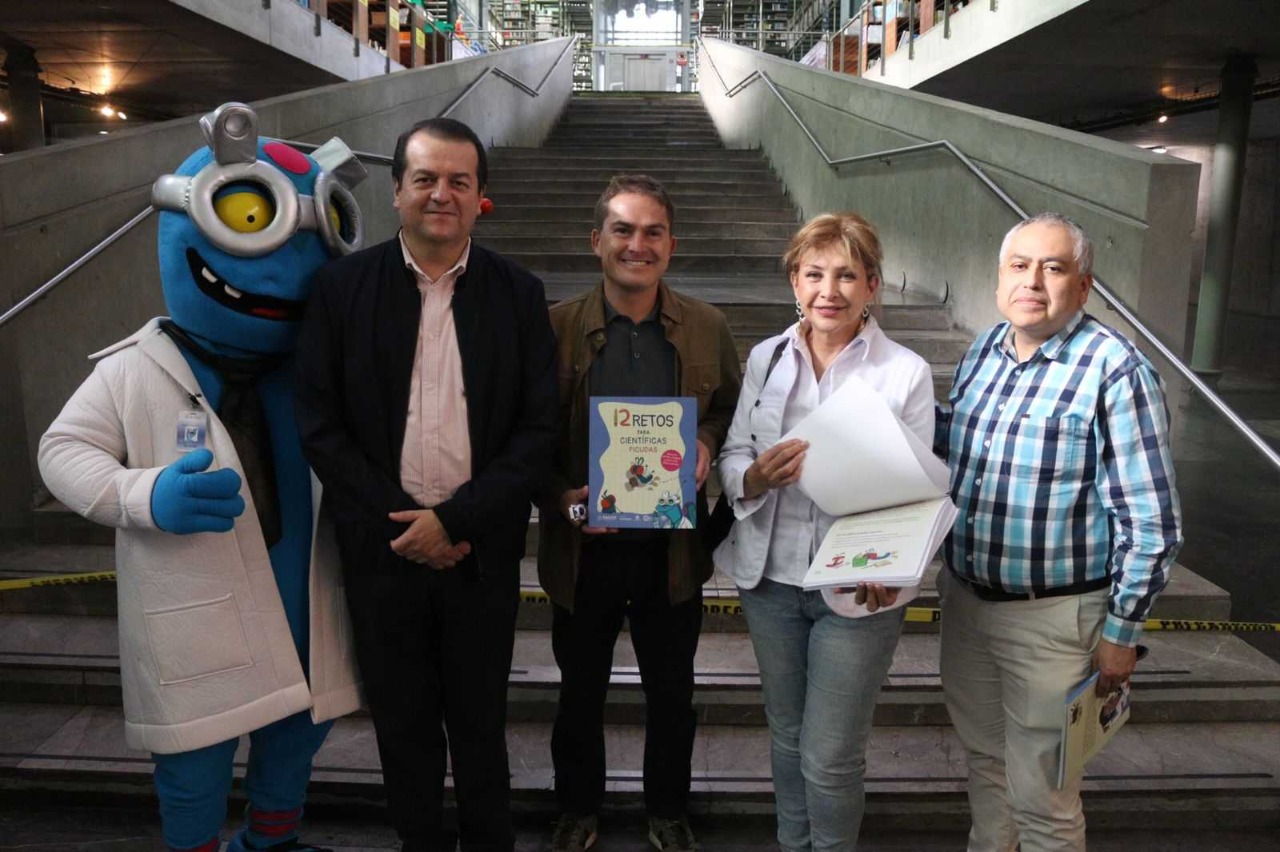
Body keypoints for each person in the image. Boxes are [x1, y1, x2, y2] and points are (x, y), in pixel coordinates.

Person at [38, 103, 364, 852]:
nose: (287, 267)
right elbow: (63, 450)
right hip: (192, 611)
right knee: (194, 756)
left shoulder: (322, 372)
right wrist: (146, 495)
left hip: (304, 601)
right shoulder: (133, 370)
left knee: (297, 734)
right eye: (251, 218)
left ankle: (272, 841)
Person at [293, 117, 559, 852]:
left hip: (480, 555)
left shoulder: (518, 294)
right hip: (382, 555)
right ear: (396, 191)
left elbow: (538, 428)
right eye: (426, 179)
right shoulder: (341, 289)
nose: (442, 194)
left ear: (480, 198)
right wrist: (406, 526)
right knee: (402, 727)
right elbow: (317, 422)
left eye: (458, 182)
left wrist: (456, 521)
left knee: (481, 724)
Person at [937, 213, 1182, 852]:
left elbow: (1152, 523)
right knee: (987, 770)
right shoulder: (983, 352)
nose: (1032, 281)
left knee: (1043, 798)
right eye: (1019, 266)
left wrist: (1121, 634)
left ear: (1084, 285)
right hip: (967, 605)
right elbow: (954, 450)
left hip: (1054, 622)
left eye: (1053, 267)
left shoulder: (1114, 369)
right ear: (999, 278)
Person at [714, 212, 935, 851]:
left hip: (857, 588)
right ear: (795, 282)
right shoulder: (766, 358)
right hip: (770, 580)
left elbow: (916, 493)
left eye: (846, 275)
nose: (828, 291)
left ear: (872, 286)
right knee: (787, 737)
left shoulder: (905, 372)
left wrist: (890, 567)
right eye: (814, 274)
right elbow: (733, 452)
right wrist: (752, 477)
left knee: (831, 754)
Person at [537, 175, 741, 852]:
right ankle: (577, 810)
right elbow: (525, 439)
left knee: (672, 695)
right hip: (583, 550)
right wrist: (563, 502)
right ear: (596, 240)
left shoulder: (708, 327)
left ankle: (667, 811)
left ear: (671, 245)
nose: (638, 244)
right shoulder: (554, 328)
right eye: (623, 229)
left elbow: (729, 411)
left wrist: (705, 442)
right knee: (579, 694)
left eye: (654, 232)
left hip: (671, 556)